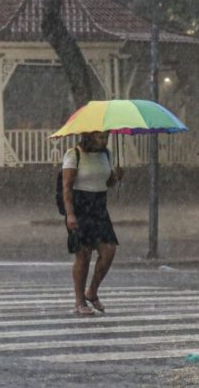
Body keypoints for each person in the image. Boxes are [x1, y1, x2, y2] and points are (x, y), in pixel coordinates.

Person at [62, 131, 123, 316]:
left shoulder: (106, 154)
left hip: (99, 206)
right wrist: (70, 214)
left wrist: (117, 176)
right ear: (88, 136)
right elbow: (67, 187)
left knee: (109, 250)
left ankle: (92, 291)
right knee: (84, 255)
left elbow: (108, 182)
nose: (104, 141)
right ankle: (79, 301)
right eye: (99, 137)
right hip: (80, 207)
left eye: (106, 137)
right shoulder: (74, 154)